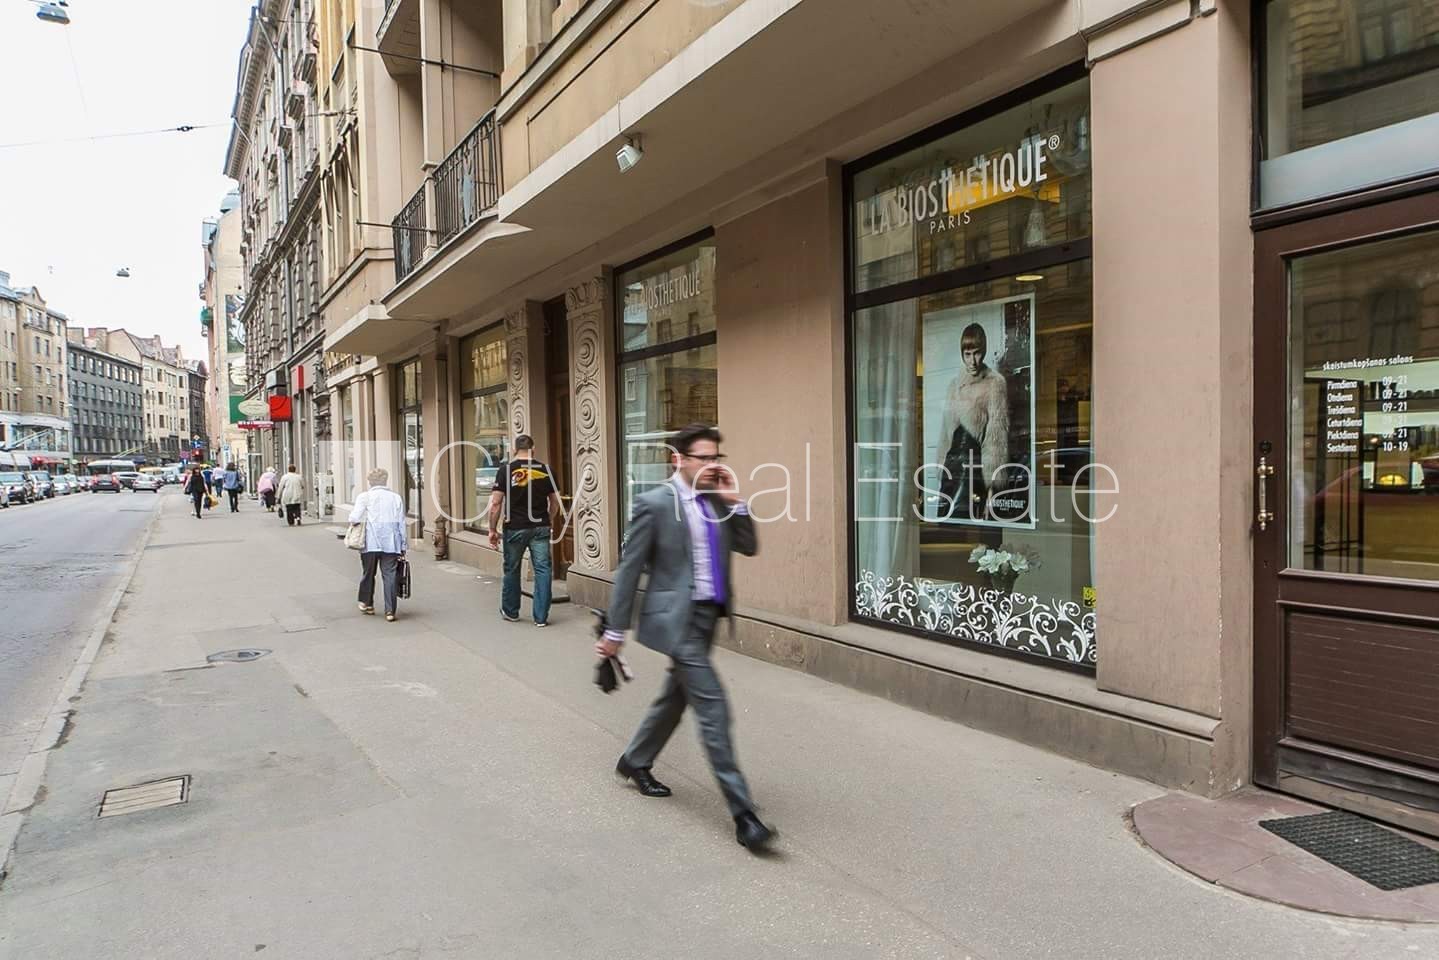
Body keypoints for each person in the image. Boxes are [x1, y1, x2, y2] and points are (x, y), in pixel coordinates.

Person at [596, 423, 773, 853]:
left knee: (676, 698)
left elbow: (748, 546)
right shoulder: (654, 504)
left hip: (708, 618)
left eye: (716, 457)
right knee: (713, 708)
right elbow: (630, 570)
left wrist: (736, 501)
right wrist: (615, 630)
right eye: (703, 458)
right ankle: (744, 816)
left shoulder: (717, 500)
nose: (712, 465)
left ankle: (634, 760)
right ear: (679, 459)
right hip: (677, 622)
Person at [487, 435, 561, 627]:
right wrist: (549, 520)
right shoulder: (547, 470)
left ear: (514, 450)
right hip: (540, 527)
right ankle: (541, 617)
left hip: (515, 527)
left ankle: (511, 611)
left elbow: (496, 503)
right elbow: (555, 502)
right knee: (543, 570)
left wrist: (492, 529)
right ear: (533, 449)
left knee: (512, 569)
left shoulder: (505, 470)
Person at [938, 322, 1009, 520]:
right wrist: (942, 469)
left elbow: (996, 440)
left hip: (972, 471)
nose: (972, 361)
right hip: (950, 470)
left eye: (976, 353)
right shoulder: (954, 385)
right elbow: (945, 435)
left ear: (983, 351)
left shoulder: (995, 384)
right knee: (944, 526)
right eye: (967, 354)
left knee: (965, 524)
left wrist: (992, 493)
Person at [348, 467, 407, 622]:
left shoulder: (364, 497)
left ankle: (367, 603)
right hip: (391, 543)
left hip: (370, 542)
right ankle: (390, 611)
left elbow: (354, 518)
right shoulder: (395, 498)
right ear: (385, 481)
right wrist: (403, 545)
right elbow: (401, 523)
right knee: (390, 576)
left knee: (369, 573)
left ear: (370, 482)